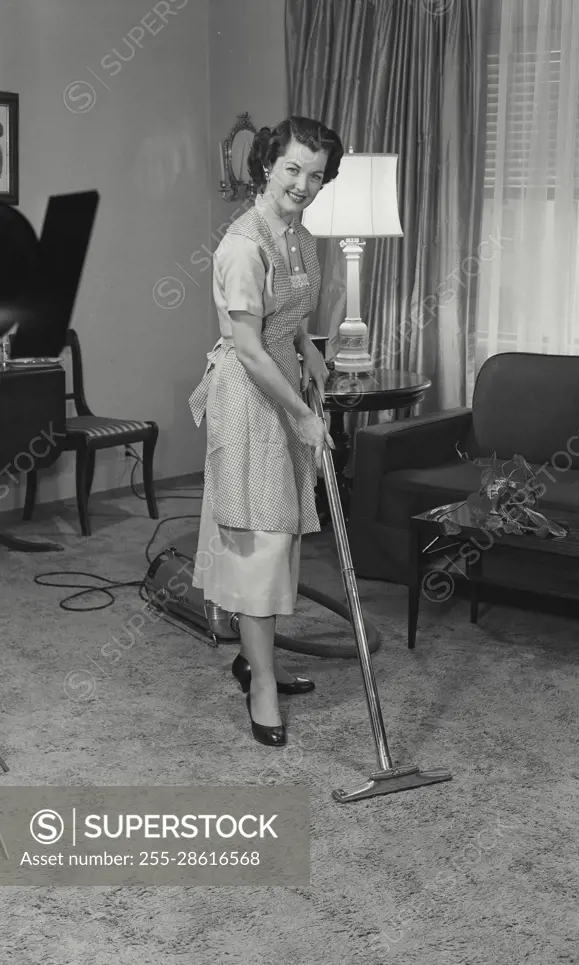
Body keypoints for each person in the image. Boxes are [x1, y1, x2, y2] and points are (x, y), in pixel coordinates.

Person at [189, 116, 343, 748]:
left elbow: (288, 318)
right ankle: (261, 686)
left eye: (316, 175)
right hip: (251, 399)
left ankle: (258, 661)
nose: (303, 185)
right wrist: (304, 415)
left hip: (284, 384)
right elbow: (248, 348)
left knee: (280, 539)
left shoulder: (299, 237)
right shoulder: (242, 245)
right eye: (292, 170)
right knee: (260, 543)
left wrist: (308, 349)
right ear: (267, 166)